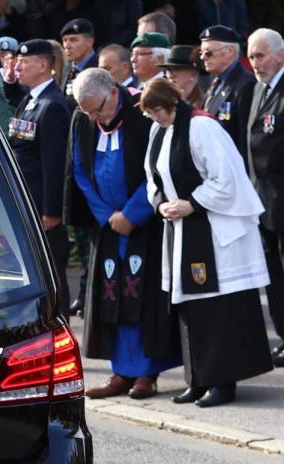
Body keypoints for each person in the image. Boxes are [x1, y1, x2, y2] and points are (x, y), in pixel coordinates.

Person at [141, 78, 272, 407]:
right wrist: (160, 204)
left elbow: (225, 178)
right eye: (150, 114)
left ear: (172, 104)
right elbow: (151, 178)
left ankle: (222, 382)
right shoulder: (160, 130)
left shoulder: (202, 126)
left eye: (158, 111)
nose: (155, 118)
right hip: (181, 230)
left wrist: (192, 203)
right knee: (190, 307)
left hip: (212, 231)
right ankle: (197, 378)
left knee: (215, 309)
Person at [70, 69, 181, 399]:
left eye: (97, 109)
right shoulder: (84, 119)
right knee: (112, 297)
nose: (93, 117)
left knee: (142, 298)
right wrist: (106, 216)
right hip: (108, 226)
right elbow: (79, 169)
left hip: (143, 223)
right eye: (87, 111)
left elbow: (158, 170)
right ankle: (120, 372)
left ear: (114, 93)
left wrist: (132, 215)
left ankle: (147, 372)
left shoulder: (140, 113)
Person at [4, 39, 72, 316]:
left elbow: (54, 164)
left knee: (51, 276)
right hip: (28, 204)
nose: (17, 66)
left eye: (24, 62)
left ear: (44, 65)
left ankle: (60, 330)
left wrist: (52, 211)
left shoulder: (52, 105)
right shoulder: (32, 100)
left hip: (42, 209)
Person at [246, 28, 284, 367]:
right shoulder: (260, 88)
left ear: (280, 55)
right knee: (274, 276)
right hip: (265, 203)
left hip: (282, 200)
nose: (255, 63)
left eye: (260, 56)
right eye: (252, 56)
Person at [199, 25, 255, 171]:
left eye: (208, 52)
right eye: (202, 52)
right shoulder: (217, 83)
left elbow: (245, 140)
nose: (202, 57)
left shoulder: (245, 85)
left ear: (229, 52)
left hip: (233, 171)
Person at [60, 18, 97, 99]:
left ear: (89, 42)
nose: (67, 46)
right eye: (65, 40)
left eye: (73, 40)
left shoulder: (100, 68)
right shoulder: (66, 69)